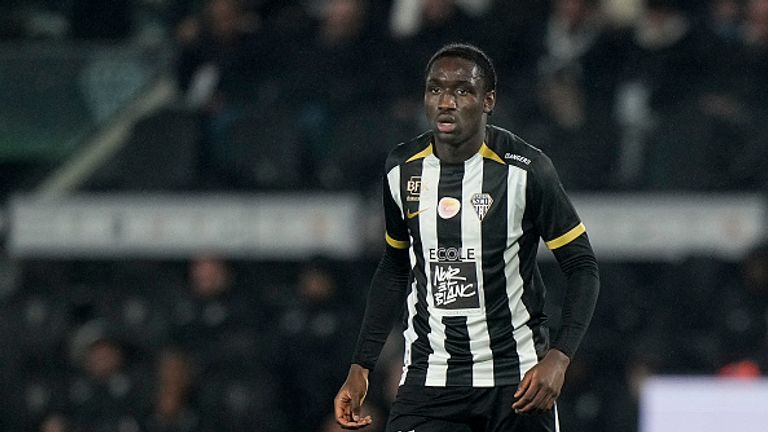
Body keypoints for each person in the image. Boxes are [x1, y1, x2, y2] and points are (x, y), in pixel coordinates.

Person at [333, 43, 600, 432]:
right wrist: (361, 366)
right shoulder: (401, 170)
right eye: (435, 89)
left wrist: (559, 357)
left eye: (462, 90)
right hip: (431, 378)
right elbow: (394, 266)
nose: (446, 101)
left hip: (517, 382)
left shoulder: (527, 171)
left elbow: (582, 266)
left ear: (488, 100)